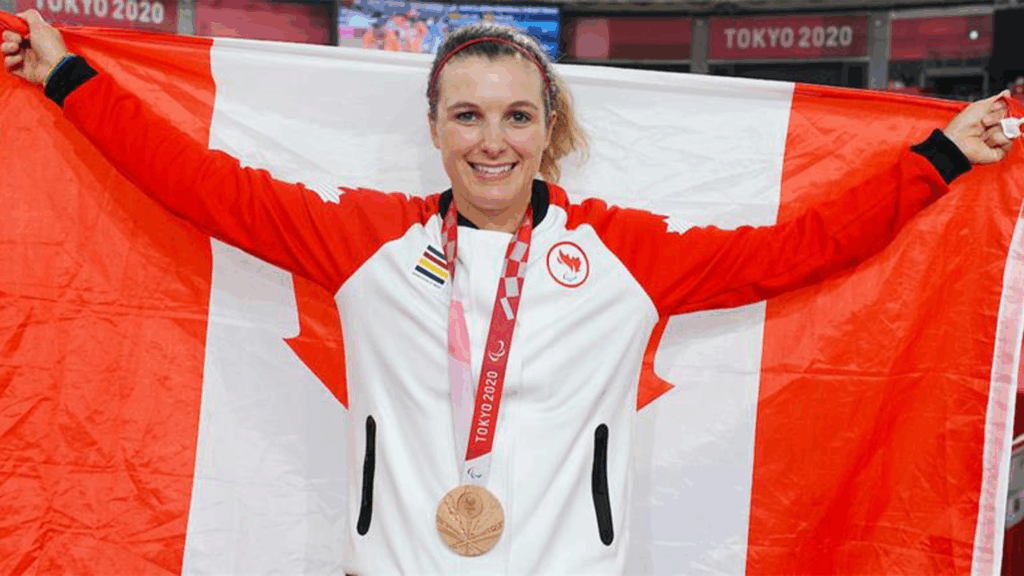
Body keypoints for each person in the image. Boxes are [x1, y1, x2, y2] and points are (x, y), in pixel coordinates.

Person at [1, 9, 1017, 574]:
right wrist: (66, 79)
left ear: (547, 128)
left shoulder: (621, 254)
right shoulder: (367, 242)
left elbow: (800, 247)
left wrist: (938, 155)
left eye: (517, 116)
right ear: (435, 128)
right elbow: (202, 187)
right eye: (469, 116)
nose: (493, 141)